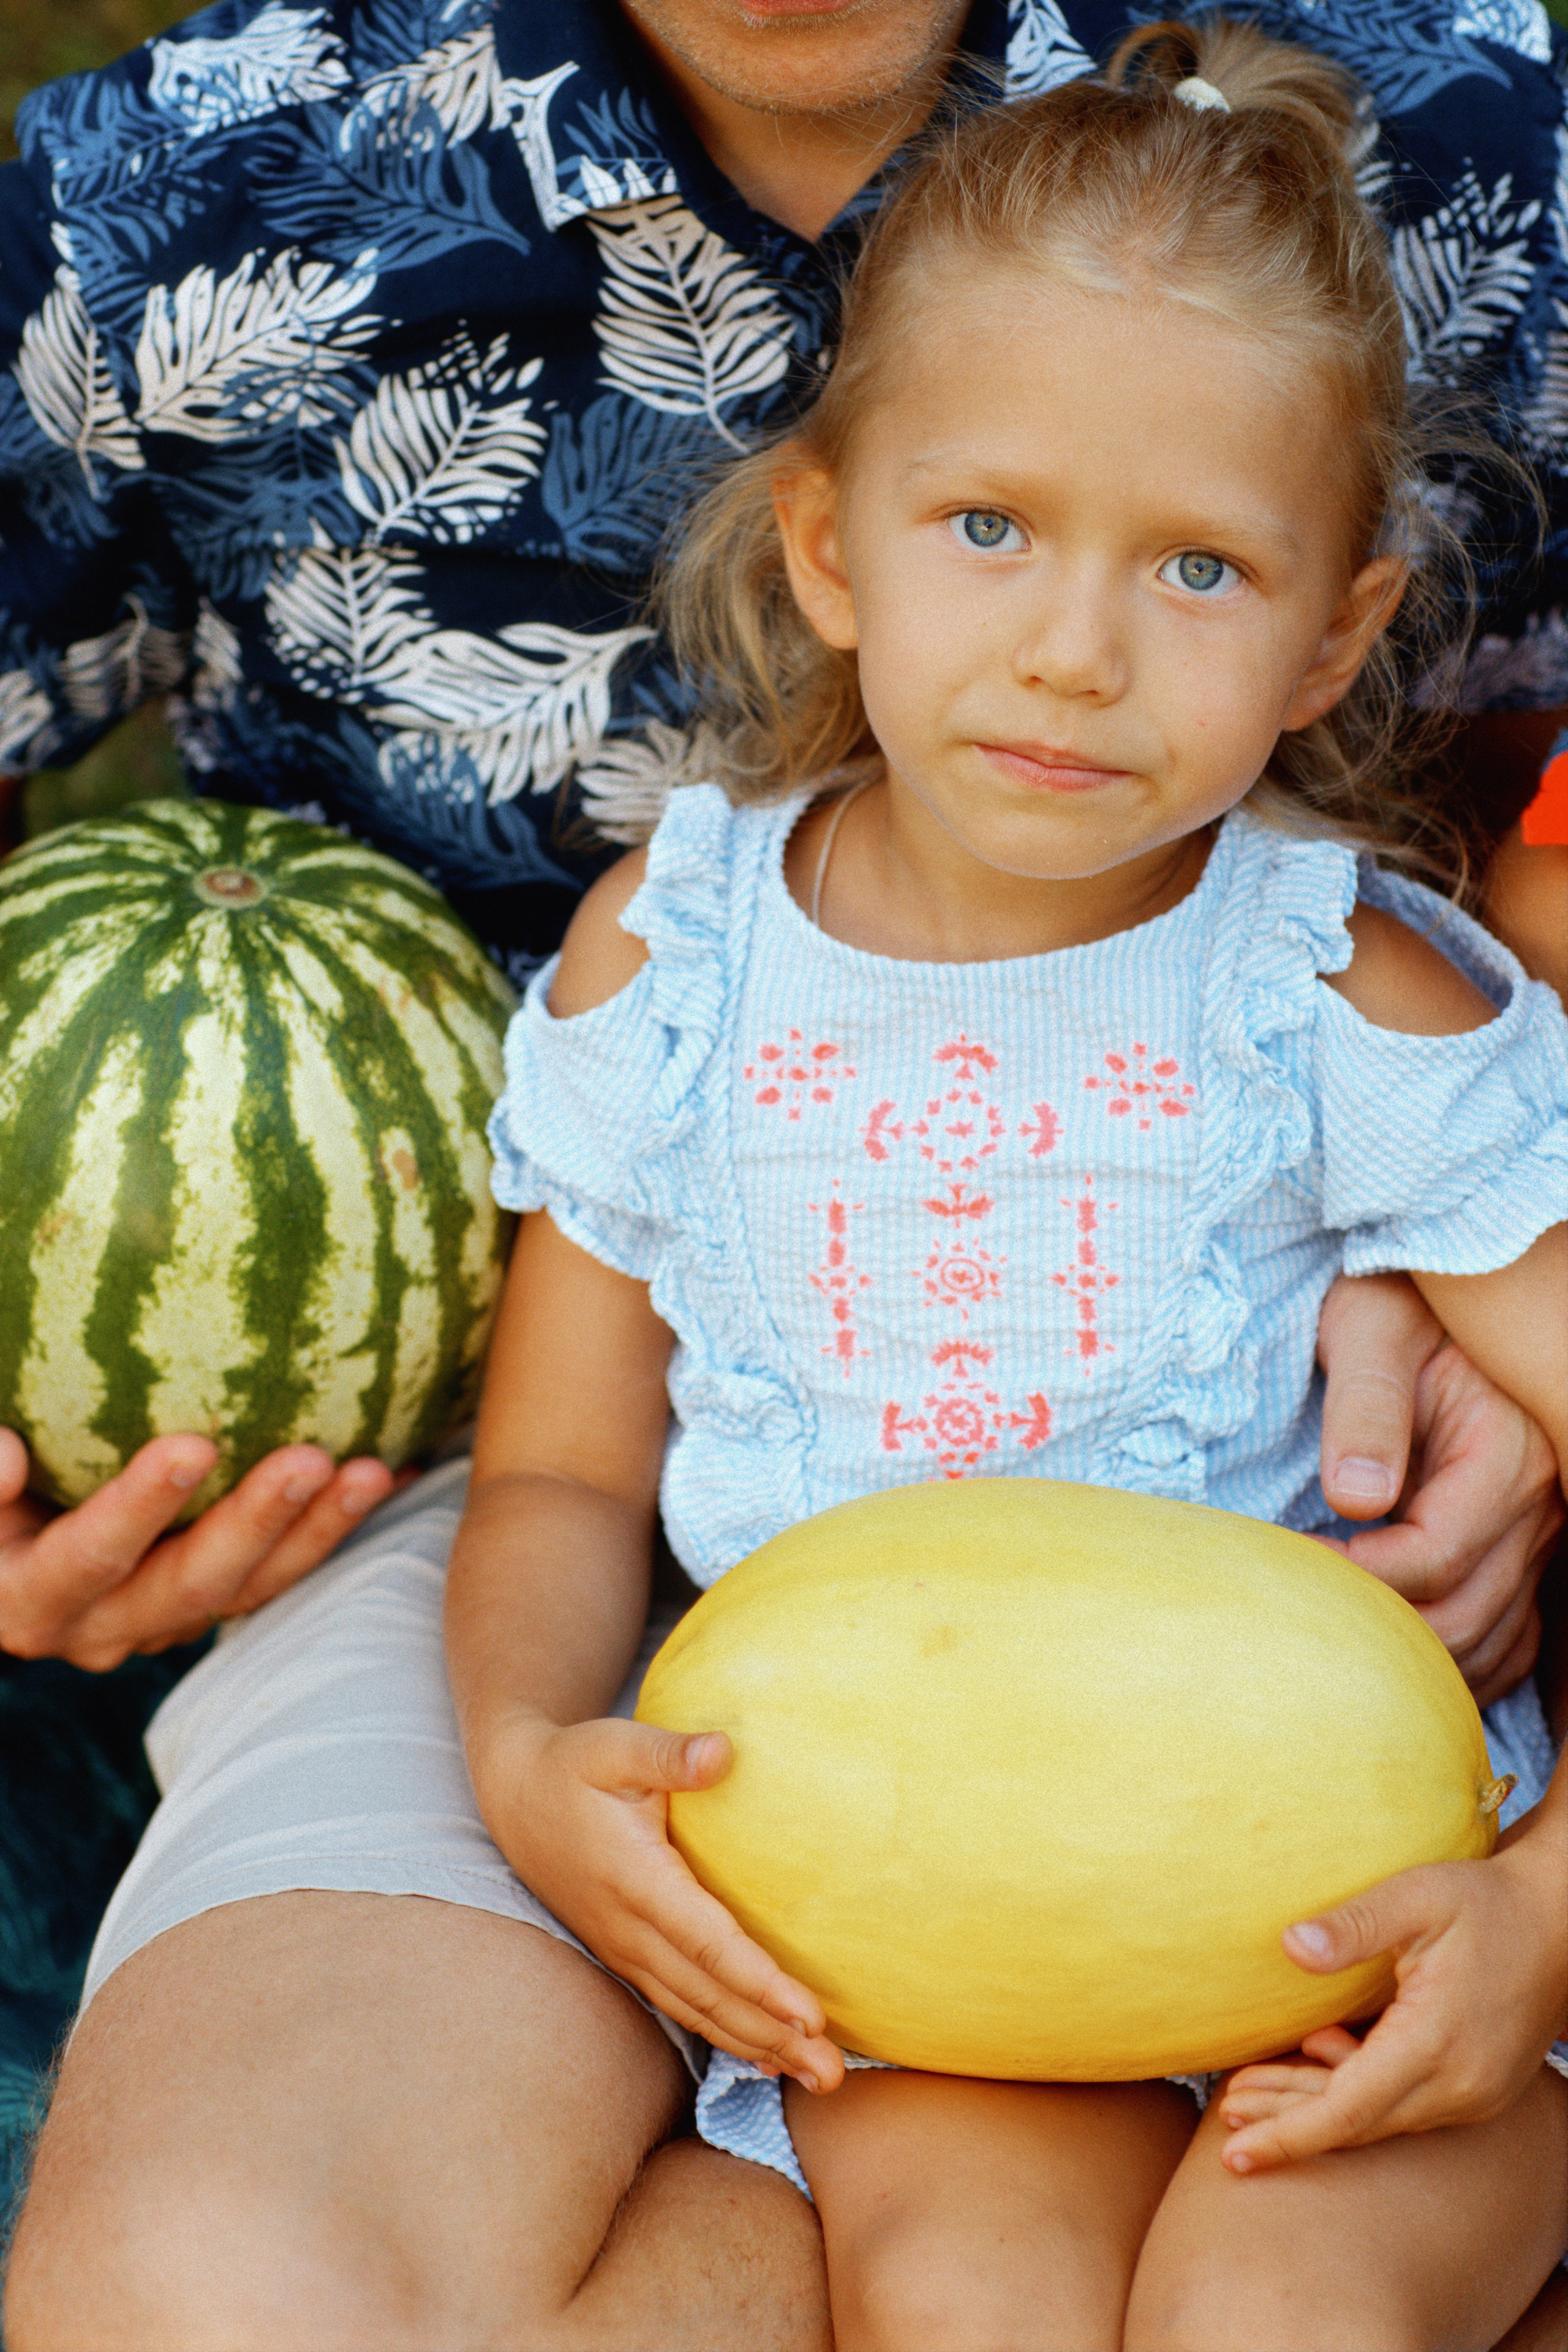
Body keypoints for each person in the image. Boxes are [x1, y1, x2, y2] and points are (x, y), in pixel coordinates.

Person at [2, 2, 1566, 2345]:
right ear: (826, 550)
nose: (1071, 649)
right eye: (989, 528)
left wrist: (1543, 1904)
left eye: (1202, 576)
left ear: (1343, 631)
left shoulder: (1337, 993)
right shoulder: (690, 952)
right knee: (966, 2307)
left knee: (1282, 2321)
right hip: (904, 1874)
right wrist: (530, 1762)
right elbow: (555, 1474)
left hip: (1355, 1875)